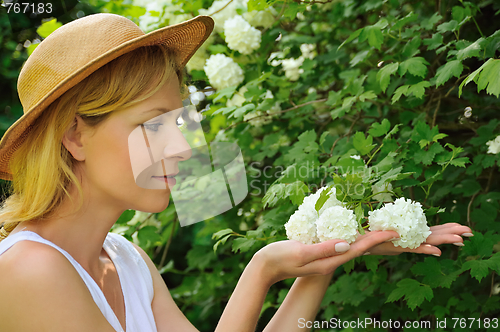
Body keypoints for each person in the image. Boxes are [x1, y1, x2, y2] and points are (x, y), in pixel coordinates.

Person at [0, 13, 473, 332]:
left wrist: (319, 258)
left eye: (180, 122)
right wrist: (260, 271)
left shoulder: (125, 260)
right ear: (74, 136)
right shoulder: (31, 271)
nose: (182, 148)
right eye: (152, 125)